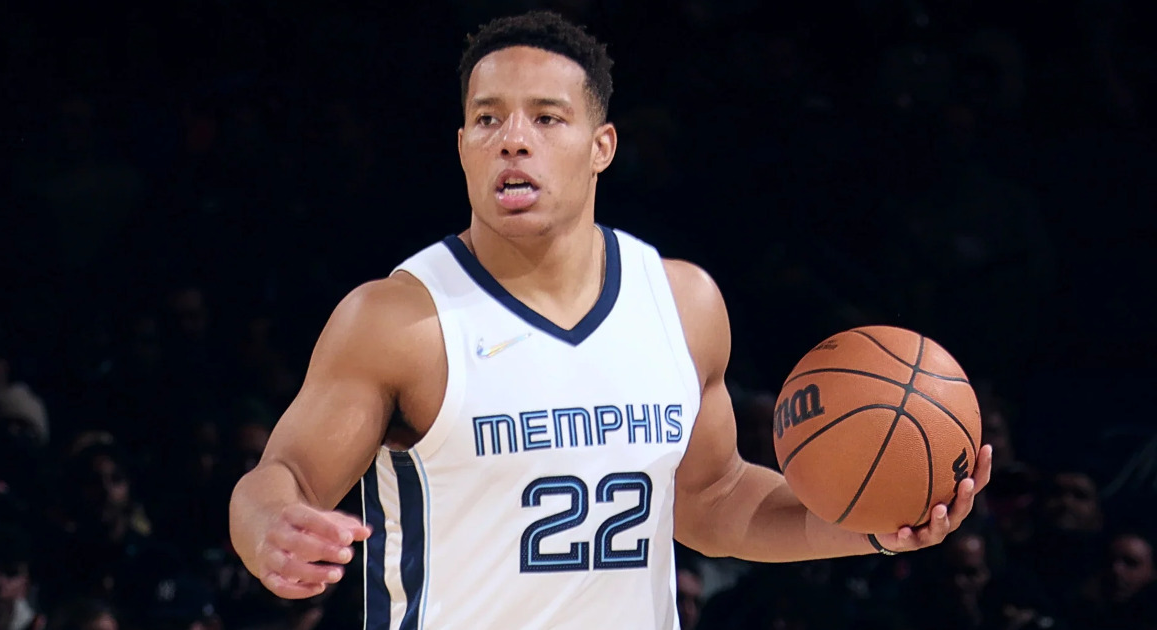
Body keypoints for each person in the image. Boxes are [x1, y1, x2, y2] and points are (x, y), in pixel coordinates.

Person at [228, 10, 993, 629]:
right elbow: (280, 476)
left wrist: (867, 525)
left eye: (546, 118)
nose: (513, 138)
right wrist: (271, 528)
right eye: (487, 119)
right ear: (462, 147)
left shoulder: (683, 304)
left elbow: (711, 500)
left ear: (601, 147)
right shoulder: (399, 320)